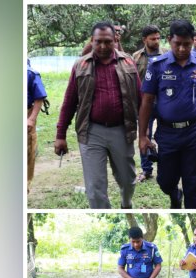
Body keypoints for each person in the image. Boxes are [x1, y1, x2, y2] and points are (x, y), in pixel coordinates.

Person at [138, 19, 196, 209]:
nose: (182, 48)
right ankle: (174, 194)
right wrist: (142, 136)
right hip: (167, 132)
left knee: (194, 183)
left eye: (186, 44)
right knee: (165, 180)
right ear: (169, 40)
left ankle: (192, 213)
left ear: (192, 41)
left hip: (195, 132)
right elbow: (147, 101)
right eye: (177, 44)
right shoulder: (157, 65)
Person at [55, 22, 141, 209]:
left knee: (128, 180)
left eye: (107, 42)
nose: (103, 46)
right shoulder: (80, 65)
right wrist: (60, 135)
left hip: (121, 130)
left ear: (115, 40)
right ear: (92, 41)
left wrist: (145, 132)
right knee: (95, 187)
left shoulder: (128, 62)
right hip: (92, 131)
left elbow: (141, 98)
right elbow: (69, 102)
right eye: (98, 42)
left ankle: (126, 203)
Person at [132, 25, 168, 183]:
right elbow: (134, 81)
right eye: (153, 39)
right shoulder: (136, 57)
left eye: (158, 38)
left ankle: (165, 167)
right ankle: (146, 170)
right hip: (144, 104)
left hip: (164, 103)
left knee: (165, 135)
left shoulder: (167, 54)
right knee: (144, 135)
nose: (156, 41)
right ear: (144, 40)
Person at [27, 59, 47, 194]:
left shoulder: (30, 73)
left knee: (27, 152)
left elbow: (39, 98)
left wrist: (31, 119)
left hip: (26, 115)